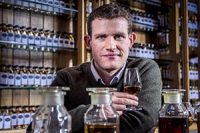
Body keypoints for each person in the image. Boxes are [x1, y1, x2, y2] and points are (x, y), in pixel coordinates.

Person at [51, 3, 162, 133]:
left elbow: (141, 122)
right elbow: (42, 127)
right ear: (88, 42)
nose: (111, 46)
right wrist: (98, 106)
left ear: (131, 40)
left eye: (118, 37)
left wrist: (79, 121)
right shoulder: (66, 78)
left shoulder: (143, 70)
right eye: (101, 37)